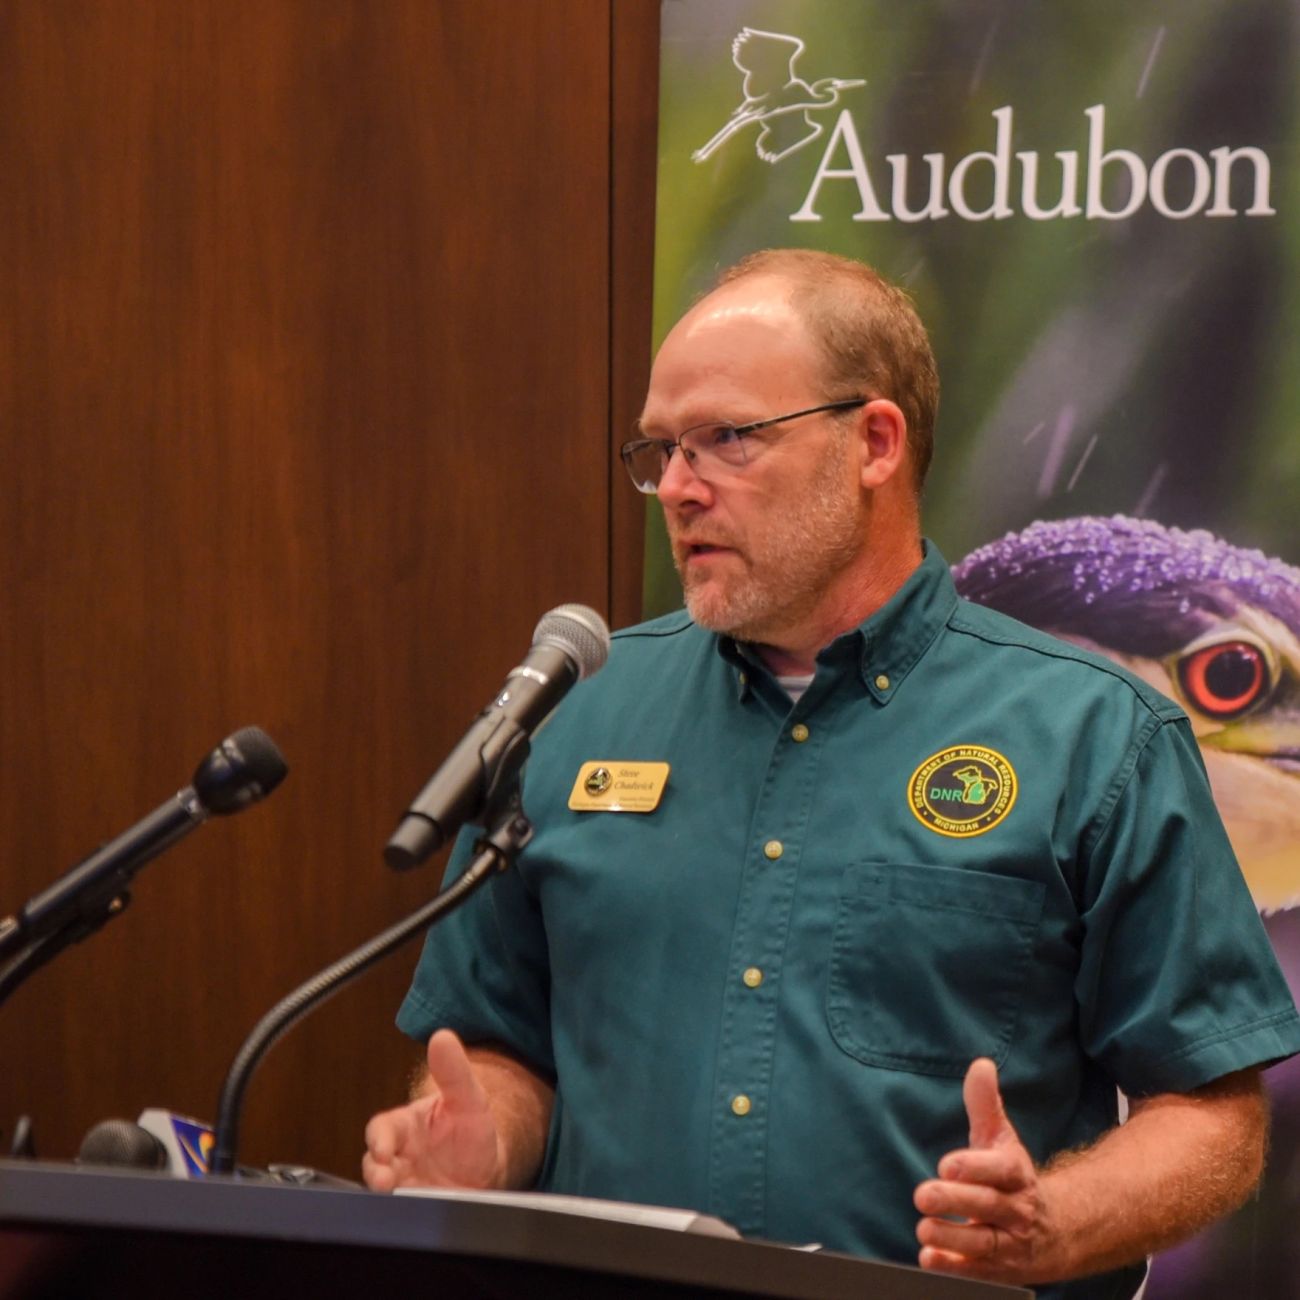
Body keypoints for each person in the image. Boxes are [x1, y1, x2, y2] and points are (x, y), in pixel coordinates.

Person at [363, 249, 1300, 1298]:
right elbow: (503, 1048)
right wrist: (478, 1146)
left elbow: (1212, 1116)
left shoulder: (1093, 732)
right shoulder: (576, 710)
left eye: (725, 438)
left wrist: (1050, 1221)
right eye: (660, 448)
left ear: (874, 442)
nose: (676, 486)